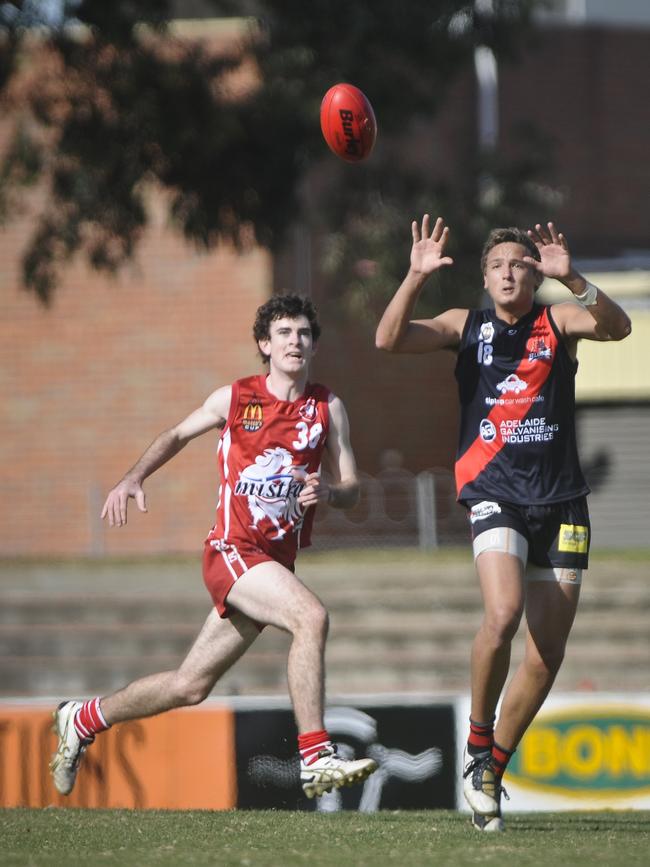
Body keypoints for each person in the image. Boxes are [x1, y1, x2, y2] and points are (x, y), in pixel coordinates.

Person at [50, 294, 377, 801]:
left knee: (189, 686)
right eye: (284, 333)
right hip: (232, 549)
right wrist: (134, 476)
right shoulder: (236, 397)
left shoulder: (327, 407)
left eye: (304, 333)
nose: (295, 341)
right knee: (311, 617)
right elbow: (178, 433)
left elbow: (353, 486)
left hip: (272, 563)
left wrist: (333, 493)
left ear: (313, 345)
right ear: (264, 345)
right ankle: (315, 758)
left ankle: (83, 718)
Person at [376, 215, 631, 831]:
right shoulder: (466, 326)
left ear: (534, 272)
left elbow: (619, 328)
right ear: (485, 278)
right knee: (502, 612)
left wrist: (576, 280)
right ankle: (477, 737)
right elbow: (387, 340)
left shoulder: (557, 320)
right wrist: (412, 277)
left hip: (563, 501)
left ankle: (490, 766)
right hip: (494, 493)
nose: (509, 272)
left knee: (546, 655)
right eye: (497, 265)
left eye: (520, 263)